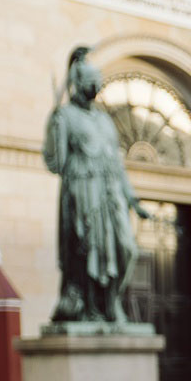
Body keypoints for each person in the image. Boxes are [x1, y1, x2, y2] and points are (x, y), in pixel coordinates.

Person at [42, 45, 151, 325]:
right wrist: (54, 125)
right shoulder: (65, 116)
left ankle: (112, 300)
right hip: (82, 193)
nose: (96, 86)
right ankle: (91, 309)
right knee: (87, 250)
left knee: (126, 247)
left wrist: (133, 199)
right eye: (91, 80)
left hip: (110, 192)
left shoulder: (105, 120)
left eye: (98, 80)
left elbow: (117, 163)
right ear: (77, 83)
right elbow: (56, 163)